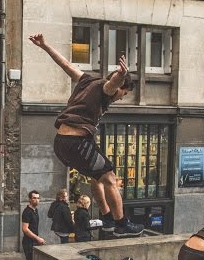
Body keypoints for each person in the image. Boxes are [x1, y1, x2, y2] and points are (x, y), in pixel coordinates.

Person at [29, 33, 144, 238]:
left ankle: (107, 217)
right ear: (121, 88)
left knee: (96, 177)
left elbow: (65, 64)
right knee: (109, 177)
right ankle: (121, 223)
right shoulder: (106, 90)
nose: (120, 98)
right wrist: (120, 74)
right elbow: (112, 85)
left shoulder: (85, 80)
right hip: (77, 142)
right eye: (123, 94)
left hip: (62, 143)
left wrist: (45, 45)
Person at [21, 190, 46, 260]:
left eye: (38, 198)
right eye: (34, 198)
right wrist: (37, 238)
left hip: (34, 241)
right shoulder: (27, 212)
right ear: (30, 199)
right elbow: (25, 229)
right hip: (28, 242)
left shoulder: (35, 211)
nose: (37, 200)